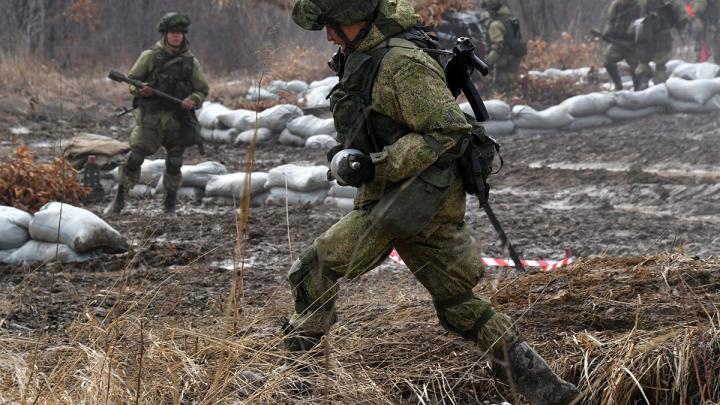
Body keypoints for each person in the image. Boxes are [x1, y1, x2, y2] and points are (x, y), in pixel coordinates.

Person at [285, 0, 580, 403]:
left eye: (334, 24)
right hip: (407, 195)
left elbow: (446, 132)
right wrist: (353, 154)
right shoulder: (362, 56)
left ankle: (296, 385)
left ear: (358, 20)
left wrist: (375, 164)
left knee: (314, 268)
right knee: (459, 305)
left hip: (413, 200)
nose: (329, 34)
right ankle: (551, 393)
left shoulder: (402, 65)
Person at [105, 12, 209, 216]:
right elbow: (132, 80)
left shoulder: (191, 62)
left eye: (180, 33)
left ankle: (169, 206)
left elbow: (202, 90)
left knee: (175, 162)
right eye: (172, 32)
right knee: (134, 158)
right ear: (165, 34)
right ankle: (118, 201)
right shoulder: (150, 56)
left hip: (176, 120)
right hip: (150, 118)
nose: (176, 36)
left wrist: (193, 100)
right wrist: (140, 89)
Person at [634, 0, 689, 88]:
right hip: (662, 36)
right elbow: (683, 19)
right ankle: (660, 89)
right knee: (660, 66)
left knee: (643, 62)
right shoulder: (671, 2)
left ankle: (643, 83)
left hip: (644, 35)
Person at [480, 0, 527, 98]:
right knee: (510, 90)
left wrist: (486, 63)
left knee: (500, 92)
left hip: (504, 64)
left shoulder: (495, 24)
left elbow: (498, 48)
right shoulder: (509, 19)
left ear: (491, 9)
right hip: (514, 62)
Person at [602, 0, 643, 90]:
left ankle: (637, 89)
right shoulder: (616, 5)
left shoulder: (639, 6)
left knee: (635, 68)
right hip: (617, 42)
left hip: (632, 44)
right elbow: (611, 20)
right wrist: (607, 32)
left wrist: (632, 31)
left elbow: (642, 22)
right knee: (608, 62)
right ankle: (618, 85)